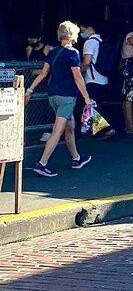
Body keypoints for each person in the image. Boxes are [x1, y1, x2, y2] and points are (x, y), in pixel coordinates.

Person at [24, 21, 92, 177]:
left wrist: (30, 90)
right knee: (58, 130)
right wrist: (87, 98)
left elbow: (43, 73)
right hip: (66, 96)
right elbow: (77, 76)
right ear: (71, 35)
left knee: (70, 126)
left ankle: (76, 158)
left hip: (53, 95)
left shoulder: (53, 52)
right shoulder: (73, 53)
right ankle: (42, 163)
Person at [79, 21, 116, 139]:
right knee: (99, 104)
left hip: (92, 78)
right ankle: (97, 130)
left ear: (90, 28)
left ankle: (106, 129)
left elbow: (86, 62)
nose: (81, 33)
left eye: (83, 30)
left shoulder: (89, 43)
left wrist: (78, 72)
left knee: (92, 106)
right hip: (104, 78)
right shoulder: (102, 42)